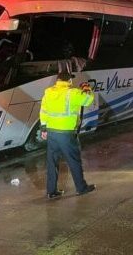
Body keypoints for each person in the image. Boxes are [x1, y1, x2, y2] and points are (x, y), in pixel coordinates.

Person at [40, 71, 95, 199]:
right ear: (69, 81)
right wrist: (86, 87)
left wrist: (43, 128)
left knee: (52, 162)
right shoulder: (73, 93)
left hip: (52, 132)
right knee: (74, 161)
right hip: (66, 134)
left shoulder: (48, 92)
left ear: (57, 80)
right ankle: (81, 188)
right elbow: (88, 100)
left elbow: (43, 111)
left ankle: (51, 191)